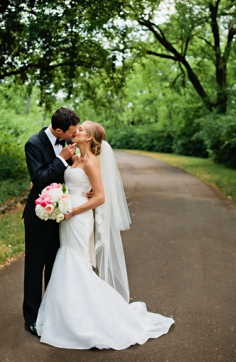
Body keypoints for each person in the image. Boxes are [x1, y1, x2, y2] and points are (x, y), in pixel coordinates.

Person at [35, 121, 174, 349]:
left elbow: (100, 197)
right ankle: (68, 315)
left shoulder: (90, 161)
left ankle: (91, 317)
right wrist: (55, 196)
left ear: (89, 138)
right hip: (68, 214)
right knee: (69, 258)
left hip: (78, 217)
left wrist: (72, 211)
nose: (75, 131)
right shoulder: (75, 157)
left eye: (80, 130)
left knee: (76, 261)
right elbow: (67, 182)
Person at [23, 107, 79, 336]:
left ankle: (53, 312)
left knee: (56, 266)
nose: (74, 136)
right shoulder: (33, 144)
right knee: (35, 267)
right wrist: (60, 159)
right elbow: (39, 179)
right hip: (39, 215)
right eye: (71, 132)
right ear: (58, 130)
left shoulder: (69, 142)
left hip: (62, 216)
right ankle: (32, 318)